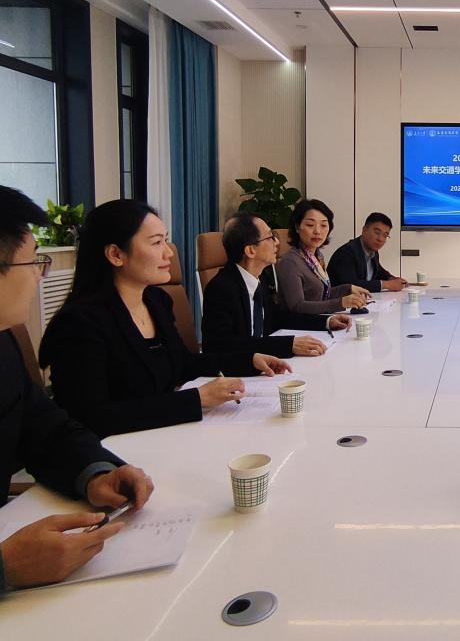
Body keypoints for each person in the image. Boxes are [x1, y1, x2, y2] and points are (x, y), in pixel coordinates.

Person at [0, 186, 154, 590]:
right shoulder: (82, 321)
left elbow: (47, 428)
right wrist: (4, 567)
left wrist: (95, 473)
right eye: (34, 261)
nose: (40, 275)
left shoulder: (3, 345)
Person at [39, 200, 291, 438]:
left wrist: (249, 360)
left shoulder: (156, 301)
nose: (169, 253)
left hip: (164, 435)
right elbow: (91, 417)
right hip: (119, 454)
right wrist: (196, 399)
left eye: (166, 241)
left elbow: (184, 363)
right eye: (157, 243)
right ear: (116, 254)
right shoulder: (79, 323)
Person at [201, 213, 353, 358]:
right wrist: (288, 345)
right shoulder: (221, 289)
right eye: (270, 237)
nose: (277, 242)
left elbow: (276, 317)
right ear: (251, 250)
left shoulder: (258, 280)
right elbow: (221, 346)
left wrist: (327, 322)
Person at [276, 199, 371, 313]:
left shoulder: (316, 256)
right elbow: (297, 306)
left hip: (319, 318)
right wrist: (341, 303)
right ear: (297, 227)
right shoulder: (290, 262)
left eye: (323, 225)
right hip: (301, 323)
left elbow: (323, 294)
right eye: (310, 225)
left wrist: (349, 289)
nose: (317, 231)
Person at [327, 212, 408, 293]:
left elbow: (378, 270)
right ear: (364, 230)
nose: (380, 239)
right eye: (377, 232)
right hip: (339, 300)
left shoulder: (372, 250)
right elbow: (351, 285)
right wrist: (387, 284)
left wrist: (391, 278)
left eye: (385, 235)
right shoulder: (346, 252)